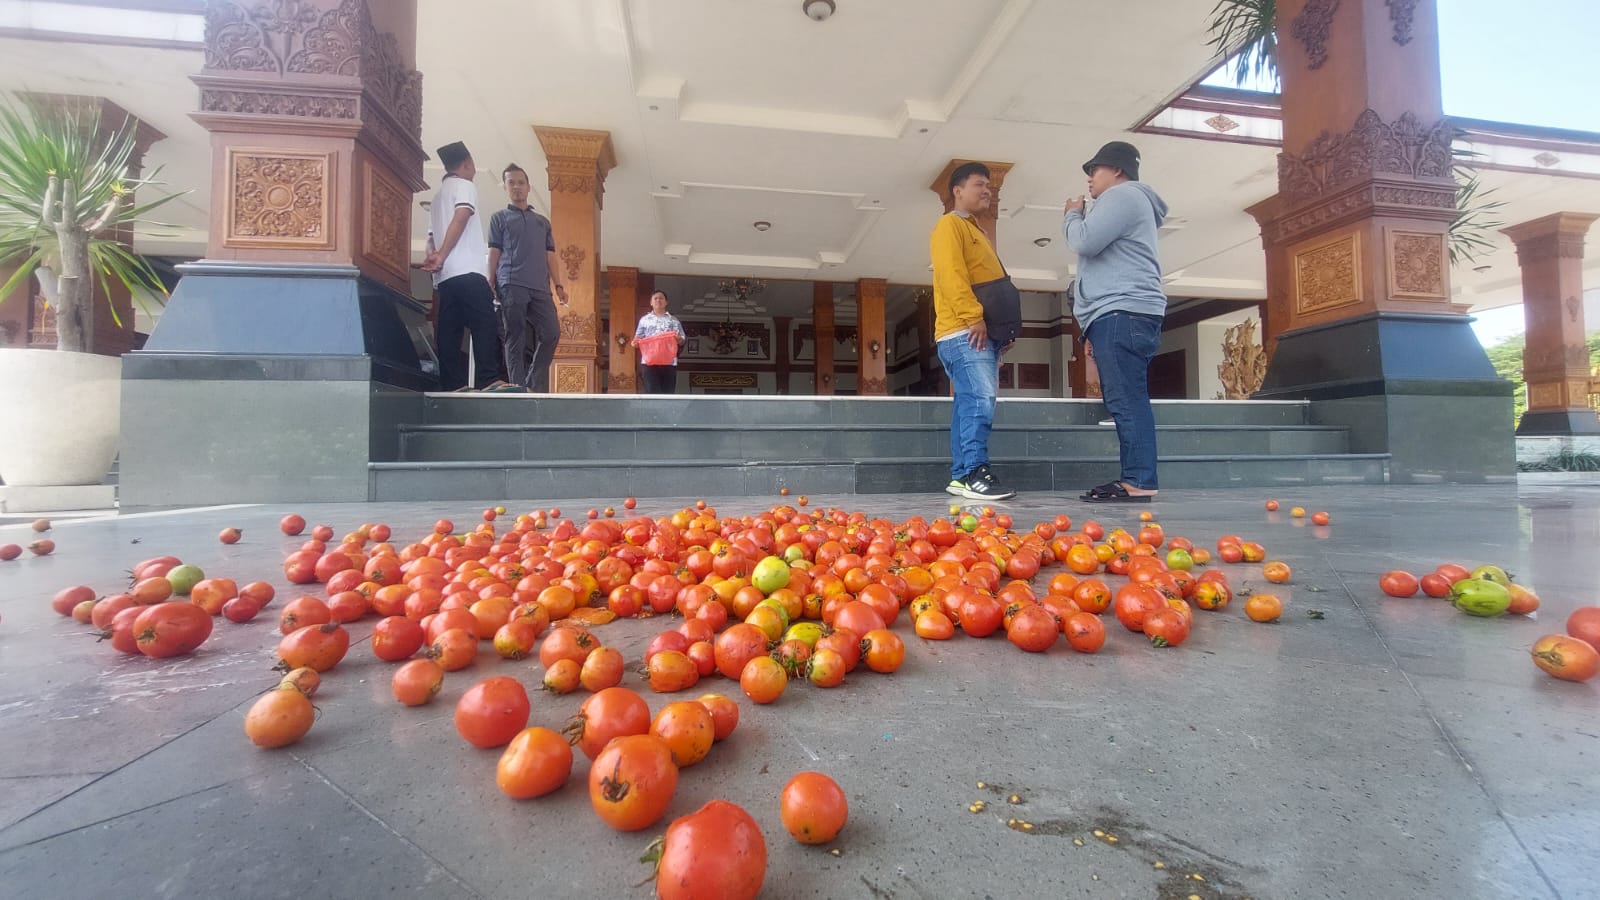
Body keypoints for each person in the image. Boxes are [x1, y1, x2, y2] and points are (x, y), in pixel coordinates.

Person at [1062, 141, 1169, 503]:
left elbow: (1085, 241)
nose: (1090, 179)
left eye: (1095, 170)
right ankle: (1138, 477)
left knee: (1127, 399)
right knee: (1127, 397)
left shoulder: (1123, 196)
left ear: (1117, 170)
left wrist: (1073, 214)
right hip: (1121, 313)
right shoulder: (1133, 201)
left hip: (1122, 311)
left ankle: (1139, 480)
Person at [931, 161, 1015, 501]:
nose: (987, 191)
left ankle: (961, 475)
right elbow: (952, 275)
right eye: (980, 184)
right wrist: (973, 318)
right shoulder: (950, 225)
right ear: (957, 190)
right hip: (963, 331)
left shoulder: (975, 229)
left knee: (969, 402)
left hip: (975, 331)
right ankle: (973, 473)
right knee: (981, 400)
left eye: (990, 187)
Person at [421, 141, 516, 392]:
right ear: (466, 164)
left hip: (445, 276)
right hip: (468, 269)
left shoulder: (438, 195)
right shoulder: (465, 186)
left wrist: (435, 257)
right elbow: (462, 216)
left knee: (449, 329)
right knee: (484, 323)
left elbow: (430, 237)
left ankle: (453, 384)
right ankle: (488, 379)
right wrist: (441, 254)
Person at [487, 164, 568, 392]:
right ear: (505, 187)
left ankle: (534, 381)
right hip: (511, 283)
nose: (517, 187)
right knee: (515, 336)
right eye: (511, 183)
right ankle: (517, 388)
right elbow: (494, 250)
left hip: (540, 287)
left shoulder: (542, 222)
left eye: (521, 182)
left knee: (552, 332)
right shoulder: (499, 218)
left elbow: (550, 255)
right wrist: (490, 279)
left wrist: (559, 284)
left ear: (528, 187)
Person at [633, 290, 686, 394]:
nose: (658, 300)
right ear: (651, 302)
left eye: (661, 298)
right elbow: (637, 340)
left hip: (669, 362)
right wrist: (635, 343)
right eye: (655, 298)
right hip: (649, 362)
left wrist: (679, 339)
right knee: (651, 392)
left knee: (668, 393)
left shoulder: (674, 320)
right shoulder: (644, 320)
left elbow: (682, 340)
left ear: (666, 302)